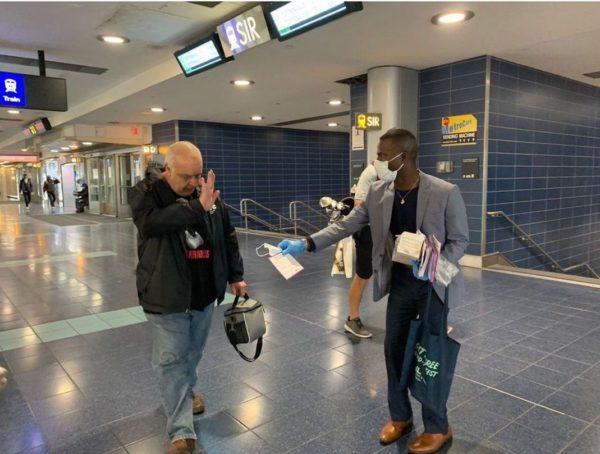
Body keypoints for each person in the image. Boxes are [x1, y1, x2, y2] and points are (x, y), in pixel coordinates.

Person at [278, 128, 468, 454]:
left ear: (403, 157)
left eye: (382, 155)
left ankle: (438, 426)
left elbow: (460, 241)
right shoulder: (380, 192)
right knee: (393, 352)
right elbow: (346, 224)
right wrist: (307, 243)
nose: (377, 161)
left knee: (430, 357)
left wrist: (432, 263)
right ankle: (401, 416)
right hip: (401, 287)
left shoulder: (444, 191)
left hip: (434, 286)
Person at [130, 141, 246, 454]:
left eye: (198, 176)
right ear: (167, 171)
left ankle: (185, 390)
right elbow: (153, 224)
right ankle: (181, 431)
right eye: (186, 177)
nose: (194, 183)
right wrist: (198, 206)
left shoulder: (208, 197)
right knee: (170, 361)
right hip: (165, 297)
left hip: (204, 294)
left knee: (192, 354)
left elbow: (227, 236)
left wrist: (235, 276)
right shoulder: (146, 194)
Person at [345, 164, 377, 338]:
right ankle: (352, 318)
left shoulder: (399, 170)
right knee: (363, 274)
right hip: (367, 231)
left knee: (403, 273)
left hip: (388, 231)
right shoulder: (371, 173)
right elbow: (358, 205)